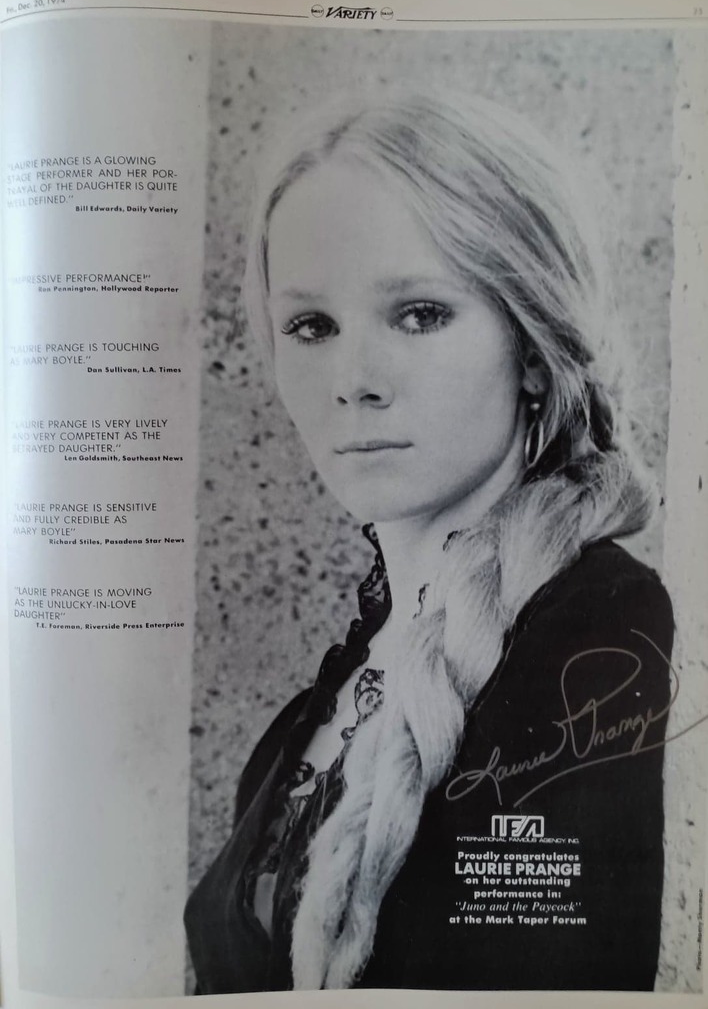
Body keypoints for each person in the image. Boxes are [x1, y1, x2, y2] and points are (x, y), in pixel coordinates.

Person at [185, 92, 675, 993]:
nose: (354, 381)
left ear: (534, 348)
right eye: (311, 326)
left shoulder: (603, 631)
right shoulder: (309, 719)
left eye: (418, 314)